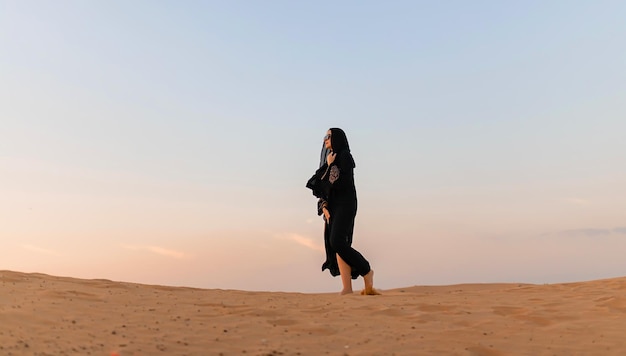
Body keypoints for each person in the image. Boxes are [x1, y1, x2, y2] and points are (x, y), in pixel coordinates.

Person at [306, 128, 379, 295]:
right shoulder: (329, 159)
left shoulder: (344, 156)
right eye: (324, 136)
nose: (325, 139)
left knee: (337, 241)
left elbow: (340, 183)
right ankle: (347, 288)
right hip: (332, 207)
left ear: (337, 138)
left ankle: (366, 270)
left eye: (328, 136)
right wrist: (323, 206)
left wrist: (331, 165)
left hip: (345, 204)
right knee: (338, 244)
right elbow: (320, 186)